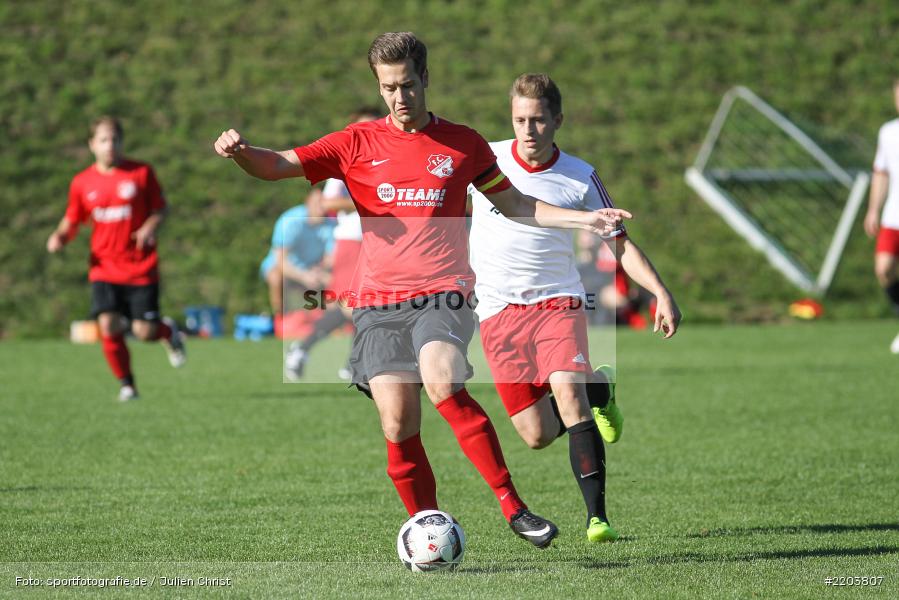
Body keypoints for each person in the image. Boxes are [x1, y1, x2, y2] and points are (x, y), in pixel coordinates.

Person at [213, 32, 630, 548]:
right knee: (396, 420)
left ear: (426, 79)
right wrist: (241, 152)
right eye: (388, 87)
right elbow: (277, 165)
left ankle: (514, 508)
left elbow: (519, 205)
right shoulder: (355, 142)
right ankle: (428, 528)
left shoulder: (463, 143)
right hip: (377, 304)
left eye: (408, 85)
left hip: (443, 293)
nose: (399, 97)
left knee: (442, 381)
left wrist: (587, 219)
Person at [469, 73, 681, 542]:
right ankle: (600, 388)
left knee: (567, 395)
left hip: (557, 304)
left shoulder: (581, 176)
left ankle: (597, 518)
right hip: (497, 313)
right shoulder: (486, 158)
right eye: (520, 119)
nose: (528, 130)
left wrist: (661, 292)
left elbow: (621, 246)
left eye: (539, 120)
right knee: (537, 434)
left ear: (557, 120)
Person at [46, 116, 186, 402]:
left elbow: (160, 209)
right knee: (107, 325)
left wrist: (149, 226)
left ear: (122, 142)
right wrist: (60, 236)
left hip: (140, 266)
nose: (110, 145)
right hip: (104, 267)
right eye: (104, 140)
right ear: (91, 145)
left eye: (115, 139)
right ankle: (128, 385)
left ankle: (167, 332)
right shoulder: (82, 182)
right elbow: (72, 219)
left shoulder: (141, 173)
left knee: (144, 331)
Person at [284, 108, 381, 381]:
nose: (370, 130)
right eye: (363, 126)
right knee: (353, 304)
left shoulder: (387, 160)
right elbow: (327, 203)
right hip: (352, 240)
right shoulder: (345, 161)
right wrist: (367, 201)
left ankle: (350, 363)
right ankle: (304, 348)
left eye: (374, 124)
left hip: (379, 242)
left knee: (371, 303)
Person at [260, 188, 336, 378]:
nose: (322, 206)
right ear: (307, 201)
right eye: (318, 202)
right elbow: (281, 260)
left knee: (340, 284)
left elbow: (330, 258)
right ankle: (281, 321)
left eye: (325, 202)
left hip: (312, 271)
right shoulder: (291, 220)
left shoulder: (331, 224)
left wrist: (321, 272)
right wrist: (304, 276)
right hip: (287, 270)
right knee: (276, 277)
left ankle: (332, 326)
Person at [864, 79, 899, 354]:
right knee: (883, 269)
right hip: (893, 216)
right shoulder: (888, 132)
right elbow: (881, 173)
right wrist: (874, 208)